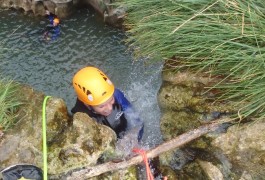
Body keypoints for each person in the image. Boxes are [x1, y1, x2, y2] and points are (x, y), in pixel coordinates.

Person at [71, 66, 144, 156]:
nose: (109, 108)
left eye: (111, 100)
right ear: (87, 105)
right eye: (101, 106)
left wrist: (134, 136)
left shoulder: (116, 94)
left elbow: (137, 120)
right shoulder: (83, 119)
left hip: (125, 134)